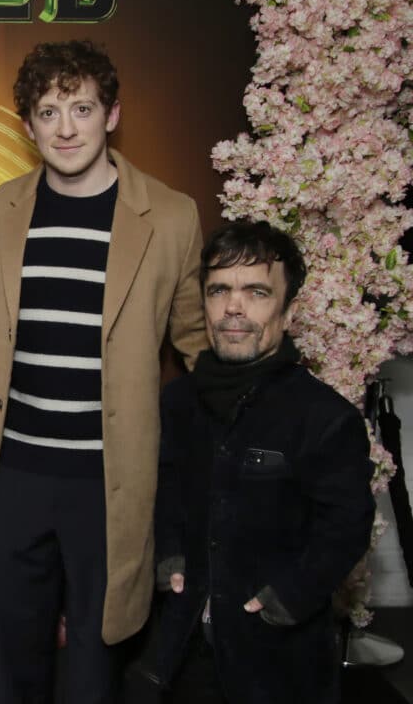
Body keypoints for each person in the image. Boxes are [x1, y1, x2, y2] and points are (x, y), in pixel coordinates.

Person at [0, 39, 207, 703]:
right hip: (14, 473)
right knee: (14, 668)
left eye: (82, 107)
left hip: (107, 483)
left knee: (93, 675)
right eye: (48, 112)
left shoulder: (169, 214)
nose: (66, 127)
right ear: (27, 127)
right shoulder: (3, 207)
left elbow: (195, 341)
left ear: (112, 114)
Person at [153, 221, 374, 704]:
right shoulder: (177, 402)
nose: (234, 306)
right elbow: (163, 487)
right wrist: (167, 554)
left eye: (256, 291)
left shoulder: (325, 417)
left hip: (279, 665)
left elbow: (347, 523)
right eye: (219, 290)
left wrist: (290, 596)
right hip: (181, 658)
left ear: (288, 311)